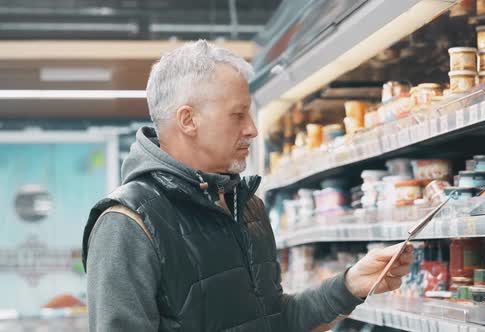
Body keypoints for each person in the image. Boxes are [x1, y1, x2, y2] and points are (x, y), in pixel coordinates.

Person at [81, 40, 413, 332]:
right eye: (238, 115)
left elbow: (276, 320)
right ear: (188, 120)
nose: (252, 129)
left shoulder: (246, 206)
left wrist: (350, 284)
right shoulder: (128, 225)